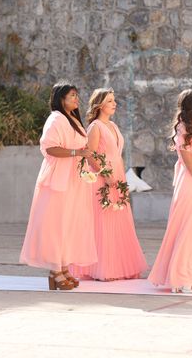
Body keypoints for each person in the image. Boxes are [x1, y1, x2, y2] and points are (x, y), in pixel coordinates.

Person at [20, 82, 97, 290]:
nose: (76, 99)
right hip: (58, 180)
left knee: (69, 224)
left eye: (76, 95)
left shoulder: (73, 120)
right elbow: (51, 148)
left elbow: (81, 146)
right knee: (57, 224)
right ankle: (55, 270)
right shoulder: (56, 119)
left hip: (74, 179)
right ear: (60, 98)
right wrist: (77, 153)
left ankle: (63, 268)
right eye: (72, 95)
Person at [70, 89, 147, 281]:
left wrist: (117, 176)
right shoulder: (95, 127)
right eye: (110, 101)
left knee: (120, 220)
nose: (114, 104)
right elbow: (90, 154)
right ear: (99, 105)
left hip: (118, 176)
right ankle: (103, 269)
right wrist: (106, 174)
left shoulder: (112, 125)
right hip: (103, 179)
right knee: (104, 221)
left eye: (114, 100)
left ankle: (121, 267)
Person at [148, 89, 192, 293]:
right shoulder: (184, 126)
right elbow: (188, 161)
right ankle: (180, 279)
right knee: (187, 230)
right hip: (191, 183)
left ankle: (190, 275)